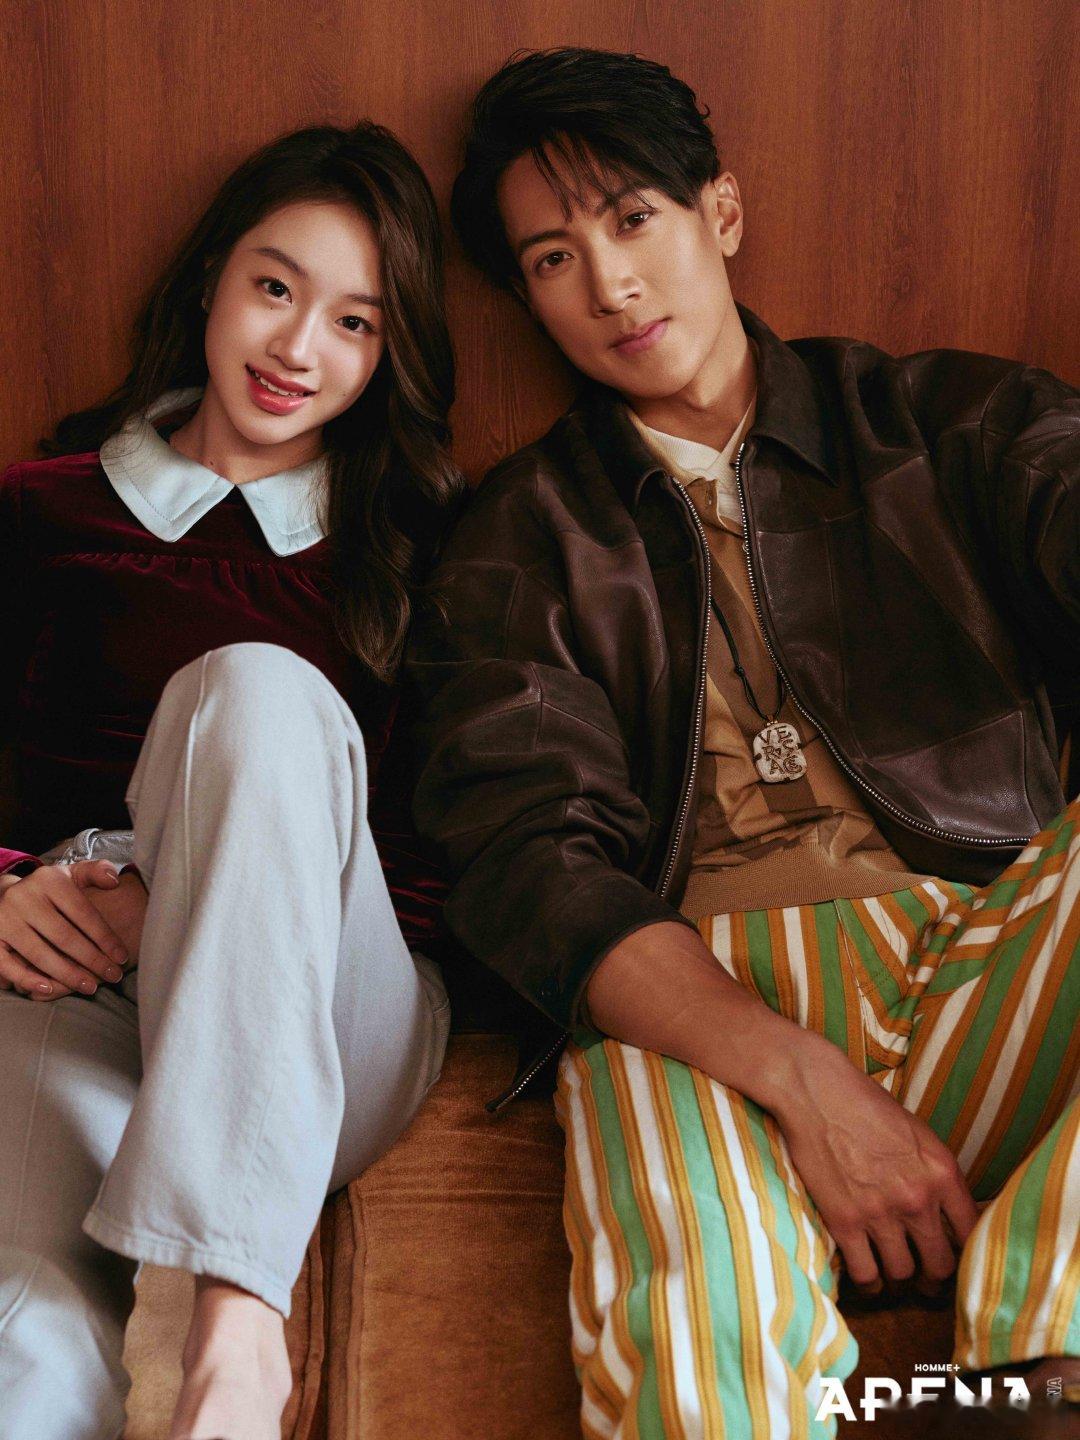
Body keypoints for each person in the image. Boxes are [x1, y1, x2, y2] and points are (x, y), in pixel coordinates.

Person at [407, 47, 1080, 1439]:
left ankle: (1039, 1379)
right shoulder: (517, 540)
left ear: (720, 209)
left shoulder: (945, 425)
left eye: (633, 217)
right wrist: (800, 1075)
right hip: (691, 1006)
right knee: (688, 1309)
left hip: (994, 958)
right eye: (551, 258)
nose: (609, 285)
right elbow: (530, 862)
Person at [0, 121, 460, 1440]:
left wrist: (211, 895)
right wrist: (6, 889)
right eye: (274, 288)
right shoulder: (41, 511)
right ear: (213, 277)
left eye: (355, 324)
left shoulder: (427, 546)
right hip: (76, 983)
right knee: (21, 1314)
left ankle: (237, 1328)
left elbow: (455, 868)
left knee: (252, 689)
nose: (298, 347)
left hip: (331, 1011)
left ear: (386, 355)